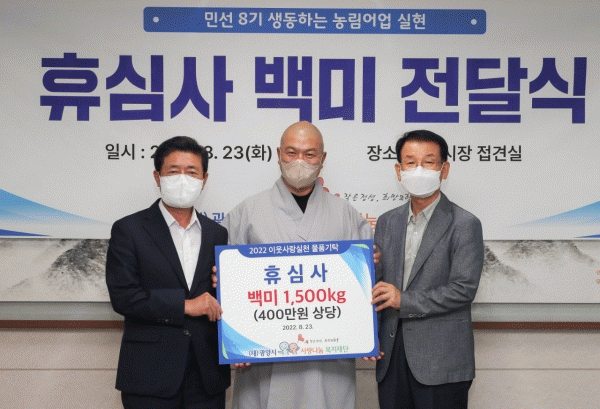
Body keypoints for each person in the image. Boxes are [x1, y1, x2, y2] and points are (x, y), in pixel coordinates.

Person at [222, 121, 373, 409]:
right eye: (291, 152)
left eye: (309, 154)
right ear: (278, 154)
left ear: (322, 159)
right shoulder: (246, 212)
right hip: (263, 359)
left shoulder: (346, 214)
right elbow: (226, 286)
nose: (299, 161)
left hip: (328, 360)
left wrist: (366, 328)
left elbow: (365, 287)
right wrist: (233, 340)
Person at [105, 136, 230, 409]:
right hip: (150, 375)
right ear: (157, 176)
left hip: (207, 377)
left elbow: (222, 300)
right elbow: (124, 297)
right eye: (173, 171)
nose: (183, 179)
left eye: (192, 172)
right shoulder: (129, 229)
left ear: (204, 179)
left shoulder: (217, 233)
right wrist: (186, 305)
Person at [372, 130, 484, 409]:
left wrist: (404, 300)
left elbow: (463, 289)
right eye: (410, 162)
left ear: (444, 169)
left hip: (440, 359)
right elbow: (379, 287)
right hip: (390, 354)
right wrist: (369, 269)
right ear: (398, 170)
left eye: (428, 162)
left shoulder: (464, 223)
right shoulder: (387, 222)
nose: (418, 170)